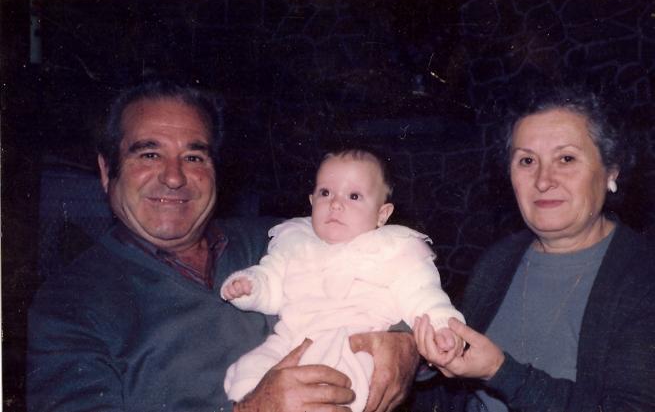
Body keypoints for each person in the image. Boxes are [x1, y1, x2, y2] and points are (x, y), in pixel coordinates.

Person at [26, 79, 420, 412]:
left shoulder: (281, 238)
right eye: (149, 153)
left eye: (194, 157)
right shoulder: (69, 304)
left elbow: (397, 266)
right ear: (106, 170)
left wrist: (405, 340)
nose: (174, 177)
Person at [414, 86, 655, 411]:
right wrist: (422, 359)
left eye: (566, 158)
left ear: (611, 170)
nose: (543, 180)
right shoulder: (499, 259)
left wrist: (500, 372)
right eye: (527, 161)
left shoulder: (643, 275)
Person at [221, 149, 465, 412]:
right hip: (292, 339)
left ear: (382, 214)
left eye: (354, 196)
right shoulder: (293, 242)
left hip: (356, 341)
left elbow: (423, 295)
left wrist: (442, 327)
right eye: (325, 193)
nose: (336, 204)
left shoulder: (395, 248)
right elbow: (271, 283)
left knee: (344, 378)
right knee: (252, 368)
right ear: (312, 202)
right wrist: (250, 286)